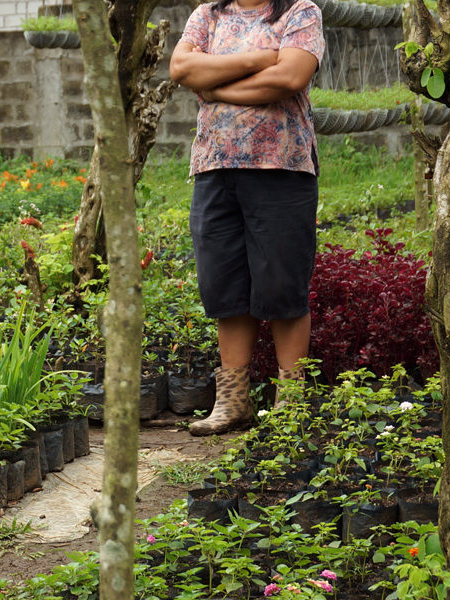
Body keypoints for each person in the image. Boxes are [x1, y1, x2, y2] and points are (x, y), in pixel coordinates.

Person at [168, 0, 325, 436]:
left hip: (281, 166)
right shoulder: (208, 15)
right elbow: (182, 68)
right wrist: (258, 60)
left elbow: (290, 77)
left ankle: (291, 402)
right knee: (224, 283)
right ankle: (233, 402)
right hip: (214, 167)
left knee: (282, 284)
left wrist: (216, 86)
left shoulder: (299, 12)